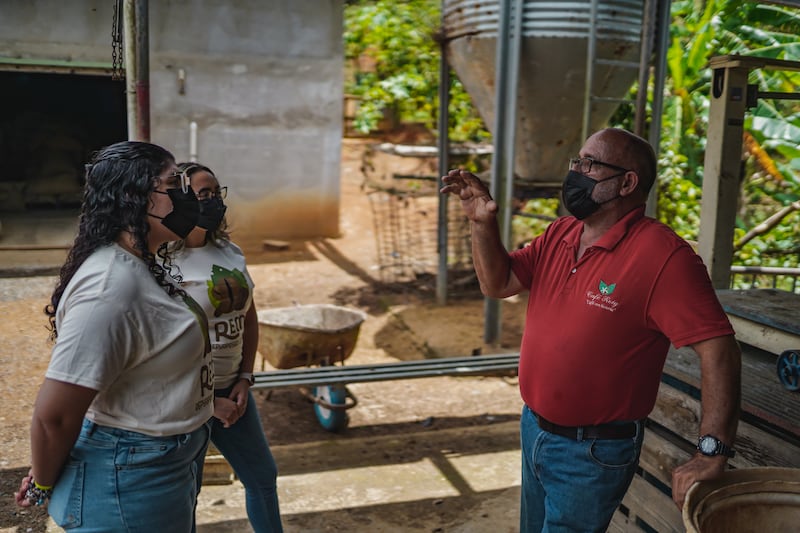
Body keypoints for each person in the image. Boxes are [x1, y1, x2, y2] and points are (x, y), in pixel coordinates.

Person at [440, 127, 741, 532]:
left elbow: (718, 348)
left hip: (593, 450)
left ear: (627, 182)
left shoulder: (663, 257)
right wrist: (481, 223)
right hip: (535, 428)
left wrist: (711, 451)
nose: (576, 172)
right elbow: (499, 284)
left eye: (590, 164)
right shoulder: (561, 233)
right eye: (576, 162)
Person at [14, 141, 214, 531]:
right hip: (130, 475)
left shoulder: (143, 264)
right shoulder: (110, 287)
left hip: (164, 463)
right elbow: (54, 415)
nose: (186, 196)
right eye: (173, 184)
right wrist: (42, 480)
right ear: (133, 197)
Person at [170, 162, 283, 533]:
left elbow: (249, 316)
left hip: (231, 390)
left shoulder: (229, 251)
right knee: (187, 490)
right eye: (202, 194)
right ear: (180, 199)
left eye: (216, 193)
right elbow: (160, 342)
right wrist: (204, 401)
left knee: (263, 476)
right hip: (184, 395)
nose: (212, 201)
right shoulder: (163, 261)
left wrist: (245, 378)